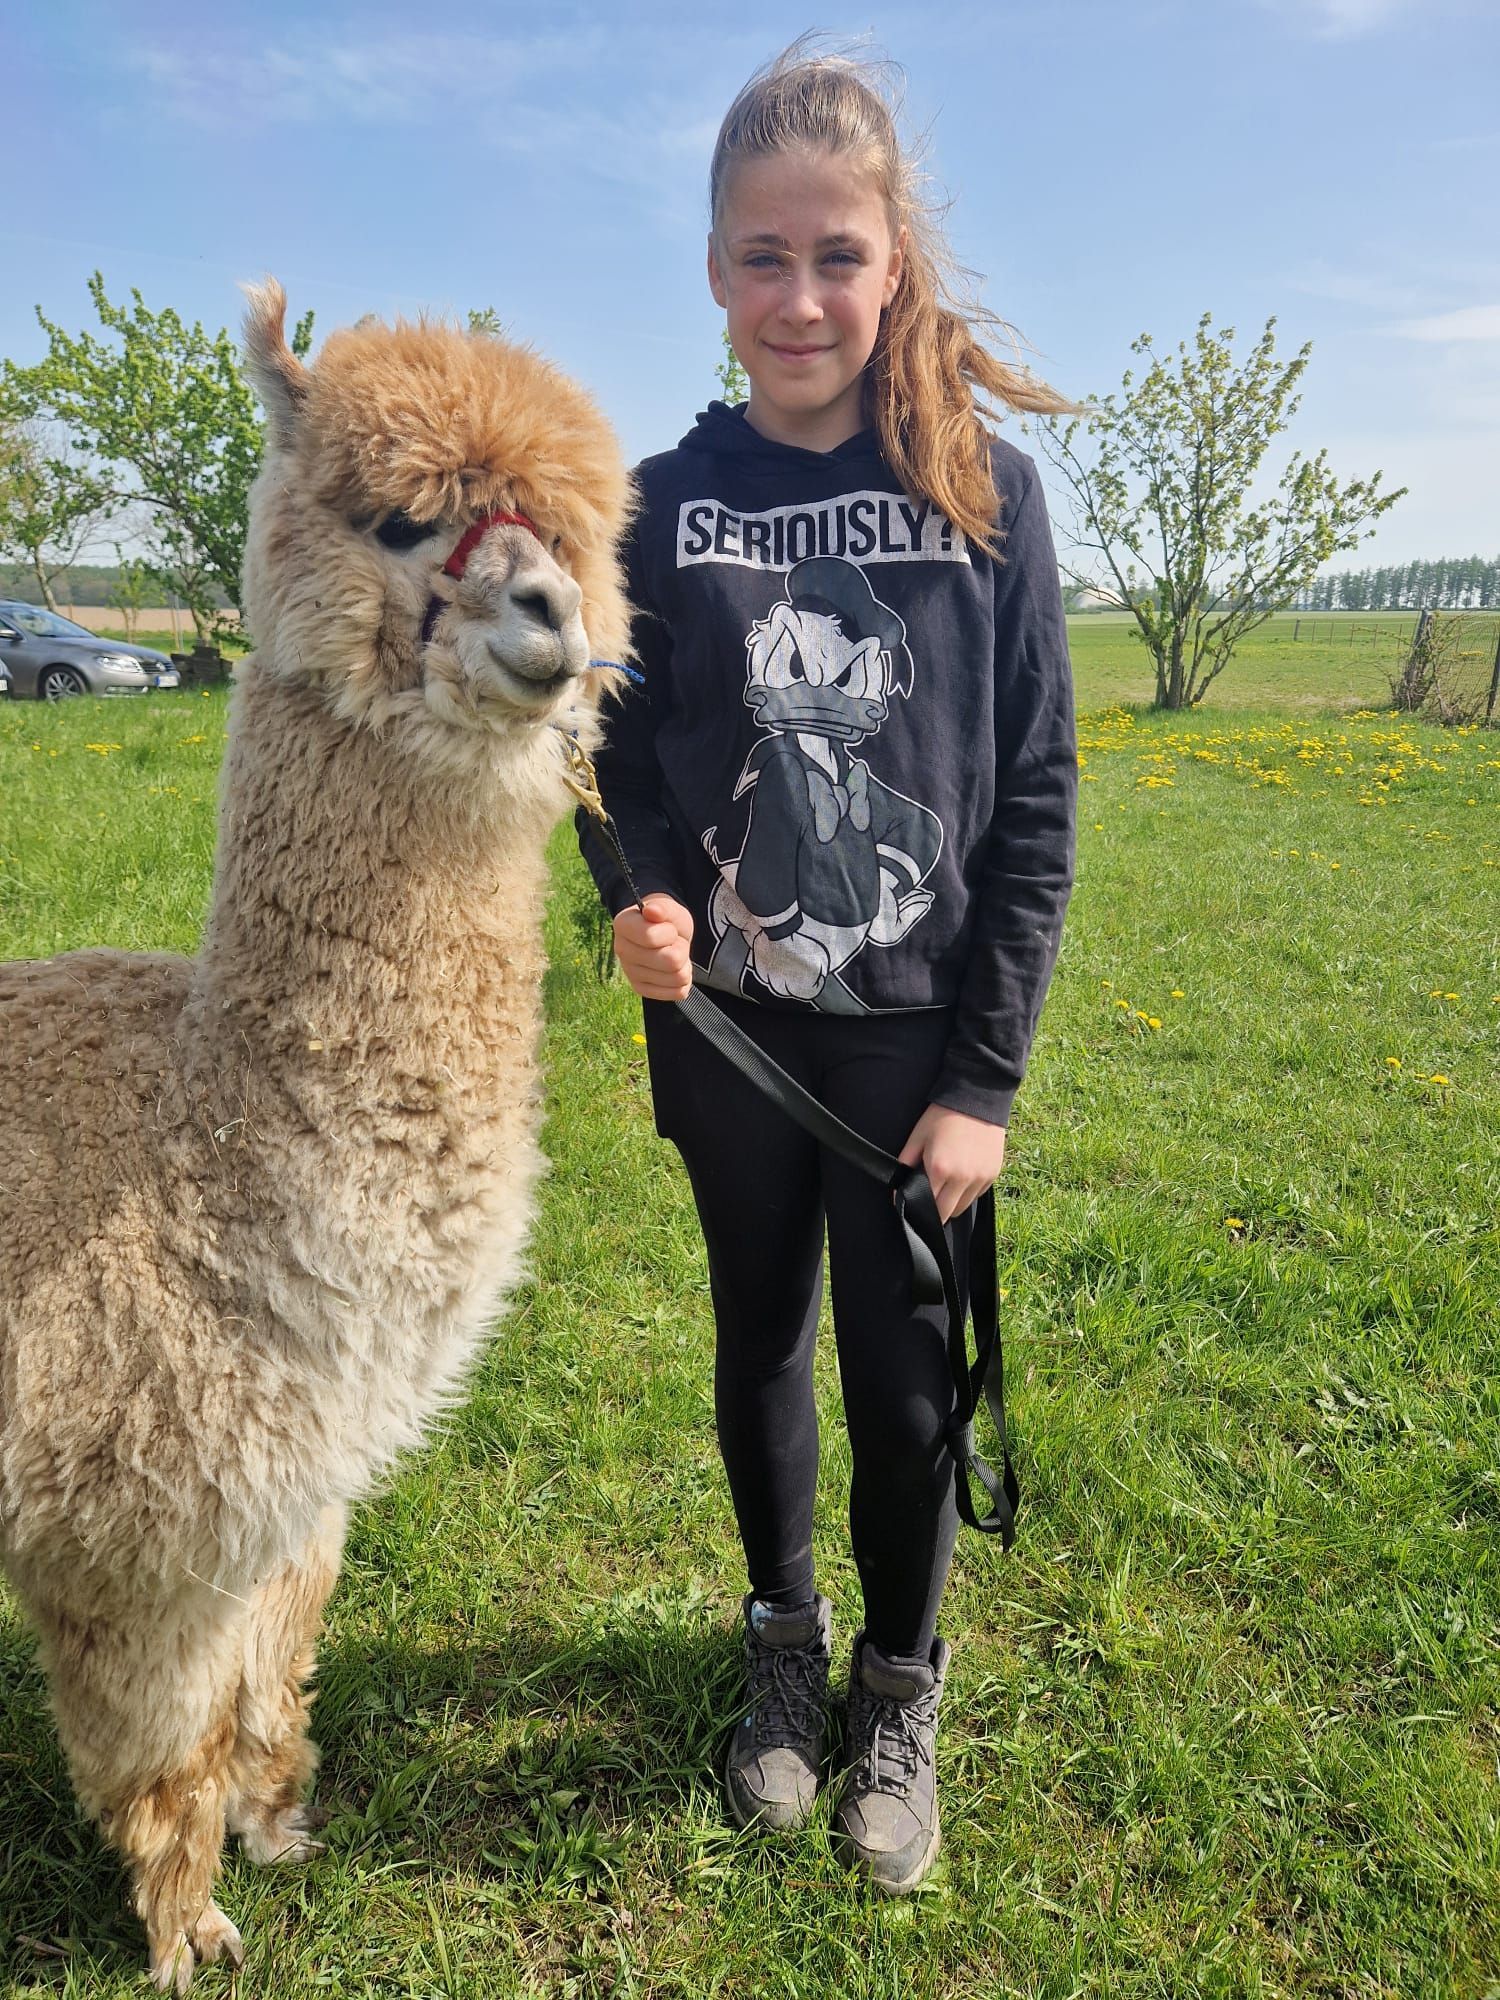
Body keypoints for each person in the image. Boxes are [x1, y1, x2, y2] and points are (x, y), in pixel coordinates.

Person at [578, 39, 1076, 1895]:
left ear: (893, 263)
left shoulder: (984, 497)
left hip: (913, 1048)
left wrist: (988, 1082)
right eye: (763, 256)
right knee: (761, 1339)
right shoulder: (655, 504)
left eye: (837, 255)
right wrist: (632, 894)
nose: (802, 298)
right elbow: (610, 753)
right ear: (713, 269)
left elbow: (1034, 791)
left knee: (912, 1377)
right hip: (730, 1041)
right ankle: (784, 1650)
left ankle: (899, 1682)